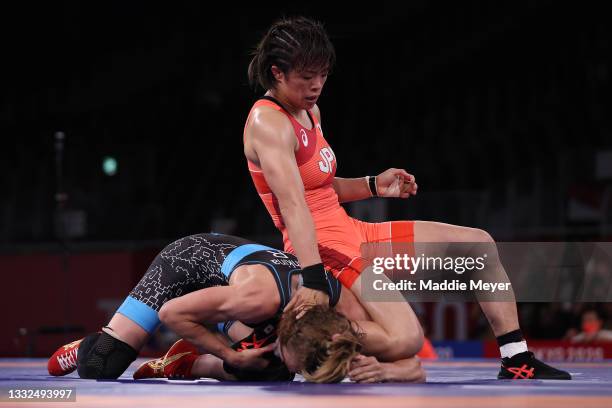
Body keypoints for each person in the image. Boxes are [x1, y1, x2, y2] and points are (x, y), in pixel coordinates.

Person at [242, 16, 570, 380]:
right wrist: (314, 279)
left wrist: (372, 185)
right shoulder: (267, 123)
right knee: (407, 338)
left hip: (353, 233)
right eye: (306, 77)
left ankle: (516, 360)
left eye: (322, 74)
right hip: (323, 251)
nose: (317, 85)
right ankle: (293, 345)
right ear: (277, 73)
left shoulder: (309, 110)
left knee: (478, 244)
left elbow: (320, 185)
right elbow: (293, 204)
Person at [48, 233, 334, 380]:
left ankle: (184, 362)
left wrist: (377, 365)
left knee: (270, 369)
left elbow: (378, 337)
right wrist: (230, 357)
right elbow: (171, 312)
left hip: (227, 287)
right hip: (184, 263)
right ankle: (93, 342)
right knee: (101, 365)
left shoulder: (334, 298)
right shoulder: (259, 300)